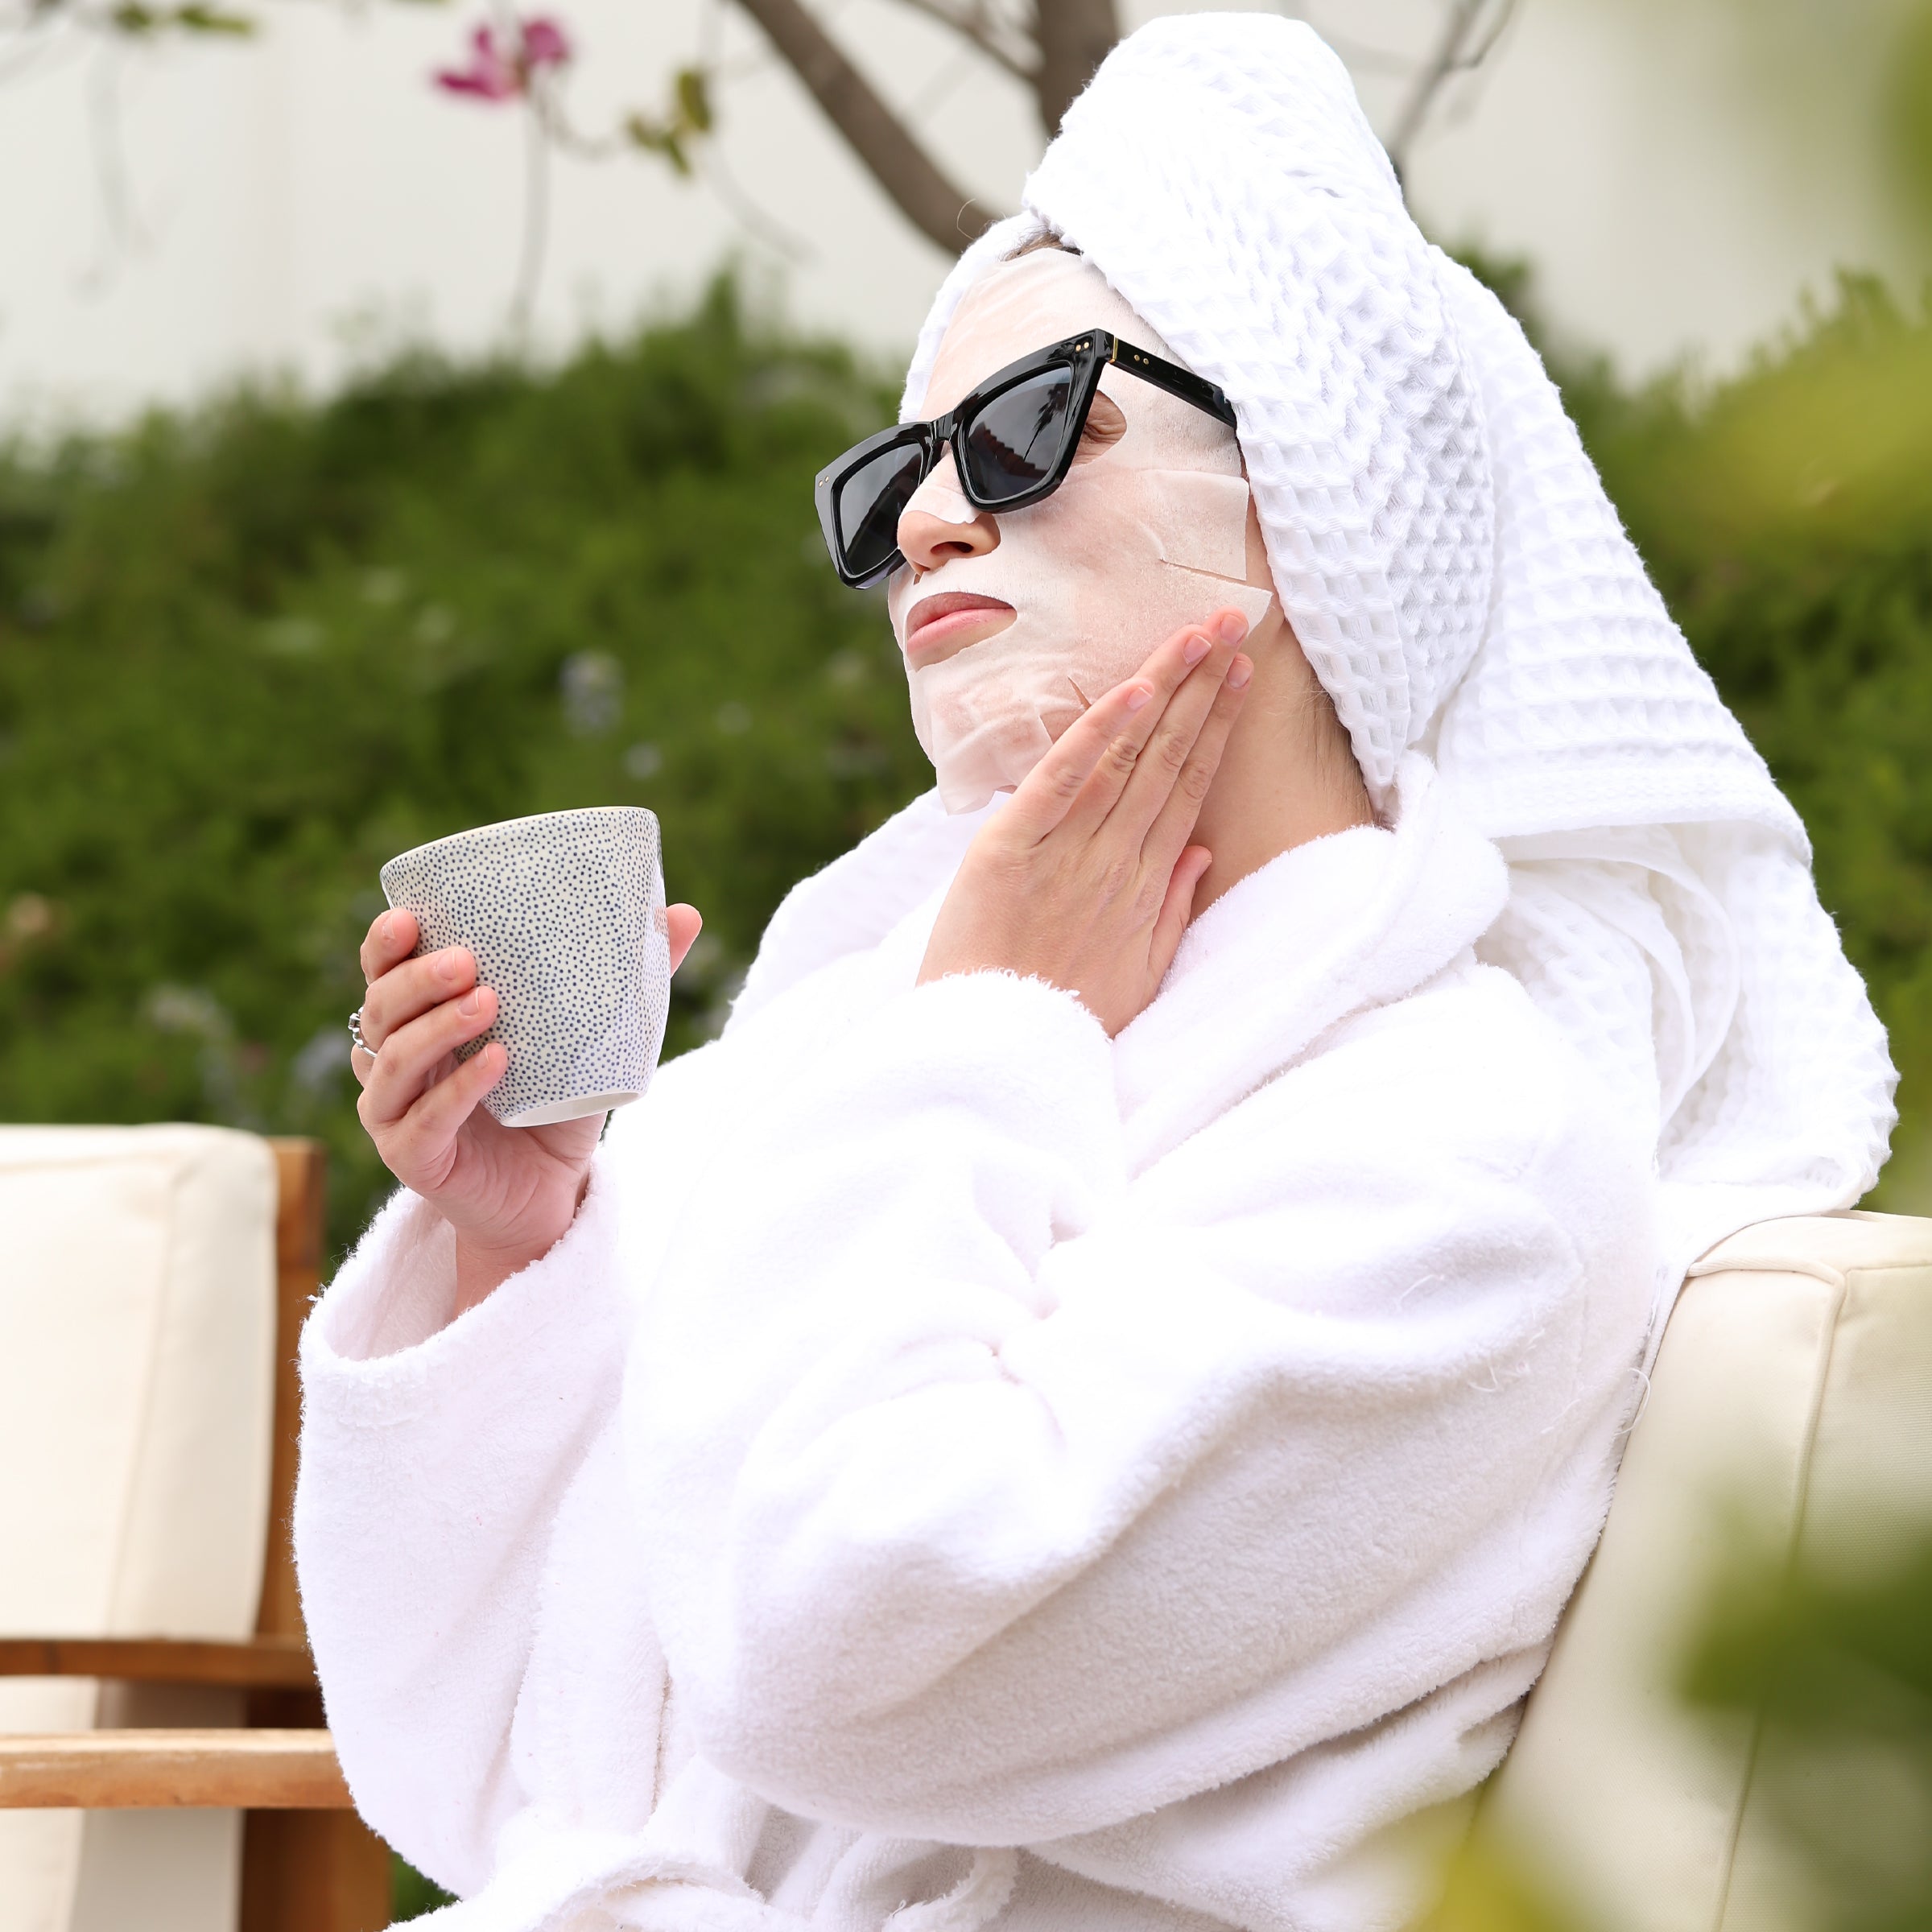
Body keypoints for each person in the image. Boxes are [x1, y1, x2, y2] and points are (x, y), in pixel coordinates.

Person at [295, 18, 1896, 1932]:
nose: (930, 522)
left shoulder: (1466, 1151)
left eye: (1036, 425)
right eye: (897, 474)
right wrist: (521, 1241)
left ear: (1315, 496)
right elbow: (487, 1774)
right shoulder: (853, 1048)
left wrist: (992, 1029)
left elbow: (832, 1656)